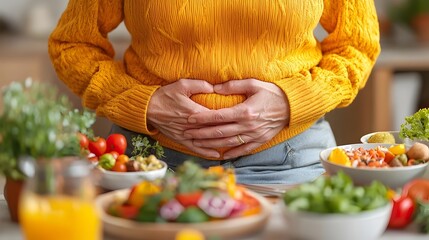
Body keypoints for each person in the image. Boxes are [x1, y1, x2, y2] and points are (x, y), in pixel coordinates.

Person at [48, 0, 381, 184]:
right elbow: (73, 45)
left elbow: (357, 45)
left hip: (292, 160)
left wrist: (291, 101)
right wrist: (145, 104)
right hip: (153, 163)